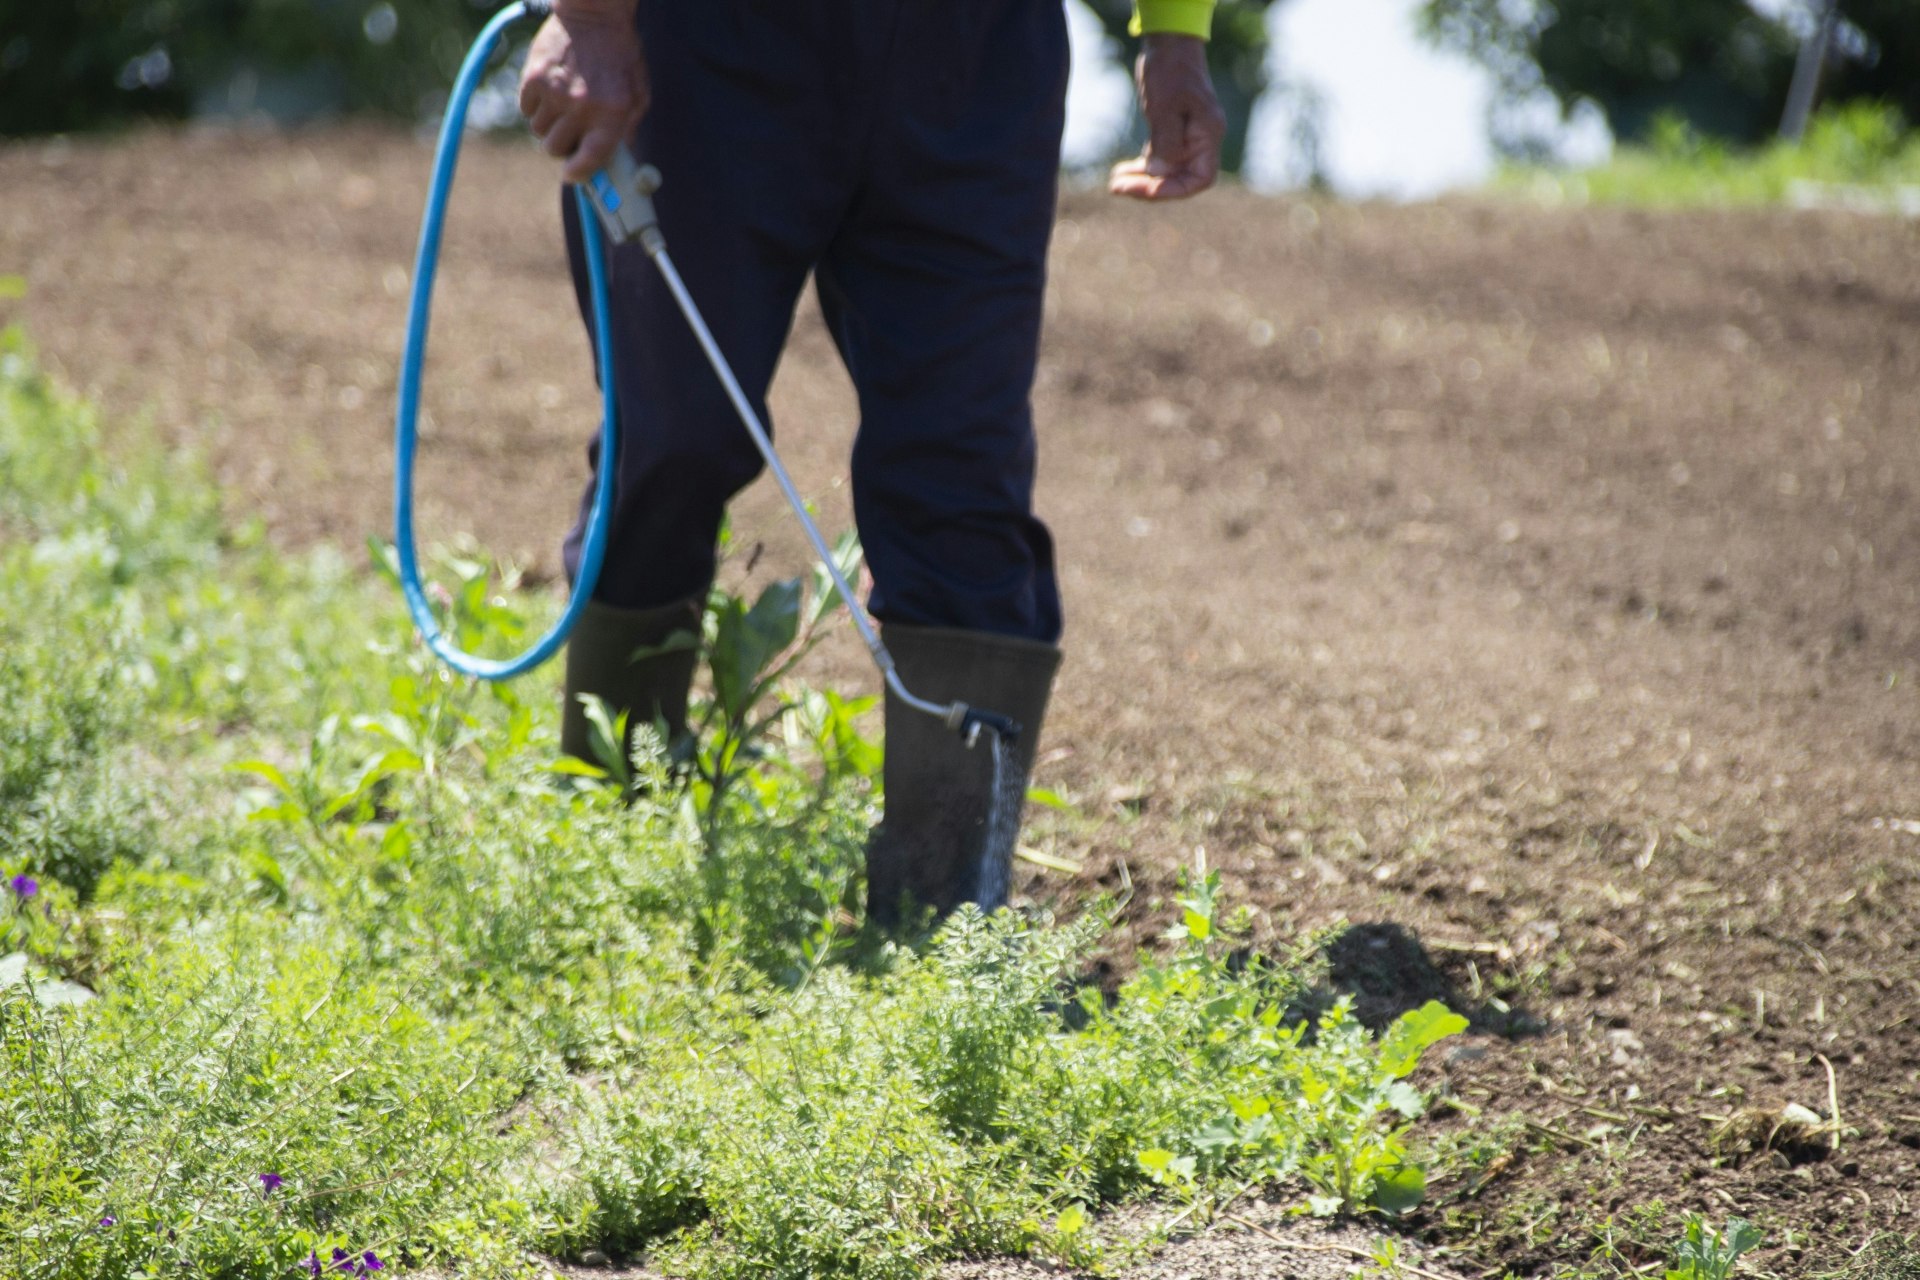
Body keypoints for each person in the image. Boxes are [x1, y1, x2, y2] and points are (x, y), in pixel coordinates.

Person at [520, 0, 1226, 925]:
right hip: (708, 47)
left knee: (963, 476)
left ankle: (944, 933)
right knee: (671, 439)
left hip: (975, 54)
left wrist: (1175, 33)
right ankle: (604, 870)